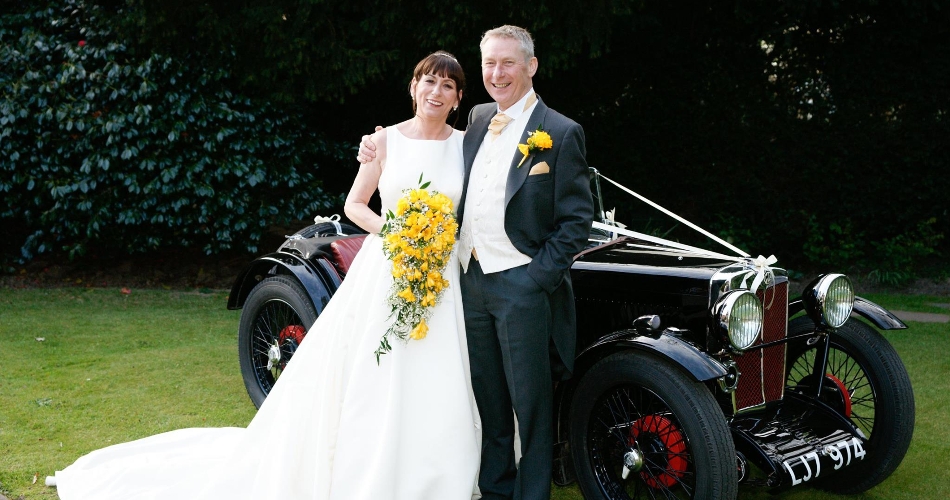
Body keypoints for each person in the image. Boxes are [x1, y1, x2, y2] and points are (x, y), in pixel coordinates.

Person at [48, 51, 481, 500]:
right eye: (429, 81)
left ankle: (435, 466)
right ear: (413, 87)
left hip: (443, 273)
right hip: (387, 266)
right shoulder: (384, 141)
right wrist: (396, 234)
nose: (436, 91)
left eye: (448, 85)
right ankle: (374, 464)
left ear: (458, 98)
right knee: (379, 365)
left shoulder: (467, 144)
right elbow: (354, 205)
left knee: (438, 366)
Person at [359, 25, 594, 500]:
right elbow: (428, 149)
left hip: (522, 284)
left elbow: (576, 222)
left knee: (530, 404)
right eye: (489, 63)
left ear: (531, 66)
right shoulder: (480, 119)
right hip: (467, 283)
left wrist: (536, 279)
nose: (497, 73)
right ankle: (496, 490)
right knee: (488, 400)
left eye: (508, 62)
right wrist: (376, 142)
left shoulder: (561, 132)